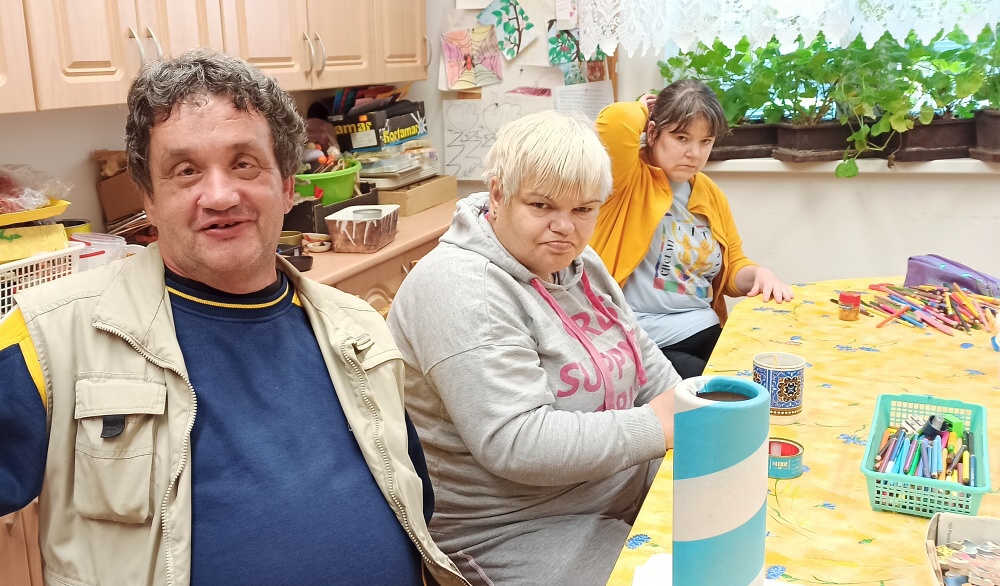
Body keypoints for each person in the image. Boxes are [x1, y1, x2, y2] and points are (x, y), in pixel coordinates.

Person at [0, 48, 468, 586]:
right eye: (185, 171)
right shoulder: (51, 338)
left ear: (288, 185)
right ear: (148, 199)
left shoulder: (358, 328)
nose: (220, 196)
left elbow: (411, 500)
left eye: (244, 163)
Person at [386, 110, 680, 586]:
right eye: (542, 205)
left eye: (584, 210)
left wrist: (690, 406)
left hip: (615, 488)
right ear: (498, 194)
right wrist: (656, 425)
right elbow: (516, 442)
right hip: (510, 528)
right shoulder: (462, 287)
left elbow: (642, 357)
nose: (565, 227)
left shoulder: (577, 260)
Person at [591, 79, 793, 379]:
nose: (694, 153)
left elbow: (732, 267)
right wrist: (642, 108)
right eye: (681, 137)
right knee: (718, 392)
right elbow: (613, 123)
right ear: (653, 133)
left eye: (705, 141)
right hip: (641, 339)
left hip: (703, 327)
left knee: (767, 375)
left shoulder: (708, 192)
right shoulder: (625, 179)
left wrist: (760, 275)